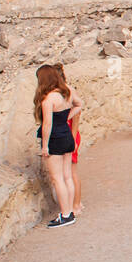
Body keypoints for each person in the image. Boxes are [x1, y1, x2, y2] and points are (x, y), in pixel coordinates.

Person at [34, 64, 82, 228]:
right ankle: (70, 212)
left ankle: (65, 214)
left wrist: (45, 147)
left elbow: (47, 125)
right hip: (67, 136)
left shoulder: (48, 99)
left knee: (57, 178)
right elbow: (80, 104)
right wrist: (67, 116)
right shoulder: (66, 92)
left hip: (55, 139)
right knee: (67, 176)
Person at [54, 62, 83, 214]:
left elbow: (77, 116)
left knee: (71, 172)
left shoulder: (68, 92)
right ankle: (72, 203)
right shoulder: (60, 93)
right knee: (68, 172)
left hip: (70, 134)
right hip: (66, 134)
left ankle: (76, 205)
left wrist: (72, 139)